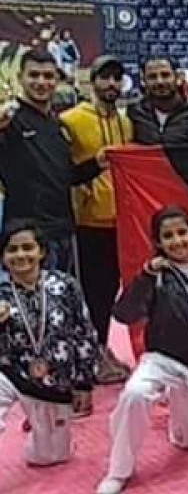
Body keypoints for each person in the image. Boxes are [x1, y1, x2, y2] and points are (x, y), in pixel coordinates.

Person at [97, 206, 188, 494]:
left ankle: (180, 417)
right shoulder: (155, 276)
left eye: (182, 233)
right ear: (158, 242)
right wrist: (146, 276)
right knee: (134, 395)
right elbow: (123, 314)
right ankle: (118, 469)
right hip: (163, 360)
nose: (177, 241)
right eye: (168, 236)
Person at [60, 56, 133, 398]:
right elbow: (64, 171)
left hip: (120, 221)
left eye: (117, 78)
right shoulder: (71, 120)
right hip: (87, 222)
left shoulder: (125, 122)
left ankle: (101, 348)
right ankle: (89, 355)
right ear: (92, 82)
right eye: (105, 78)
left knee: (110, 290)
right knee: (91, 293)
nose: (111, 84)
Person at [0, 219, 99, 466]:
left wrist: (84, 382)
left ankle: (38, 427)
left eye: (27, 248)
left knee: (49, 457)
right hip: (10, 373)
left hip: (54, 381)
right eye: (12, 250)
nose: (20, 255)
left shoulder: (65, 285)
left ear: (41, 251)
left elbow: (84, 332)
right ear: (3, 257)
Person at [0, 49, 108, 275]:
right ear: (20, 78)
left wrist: (97, 164)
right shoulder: (8, 121)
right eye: (34, 75)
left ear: (57, 80)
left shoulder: (58, 125)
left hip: (63, 231)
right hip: (26, 238)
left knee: (65, 293)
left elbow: (66, 176)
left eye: (48, 76)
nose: (41, 82)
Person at [128, 57, 188, 145]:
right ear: (144, 81)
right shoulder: (134, 113)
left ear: (178, 78)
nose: (159, 82)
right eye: (152, 77)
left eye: (165, 75)